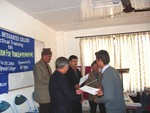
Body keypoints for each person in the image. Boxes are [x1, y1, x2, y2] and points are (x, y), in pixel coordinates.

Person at [33, 48, 52, 113]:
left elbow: (49, 76)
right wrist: (52, 81)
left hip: (48, 93)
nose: (50, 58)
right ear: (43, 56)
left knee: (48, 110)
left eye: (50, 56)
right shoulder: (38, 66)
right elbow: (41, 80)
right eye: (49, 56)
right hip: (42, 95)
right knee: (44, 110)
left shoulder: (48, 65)